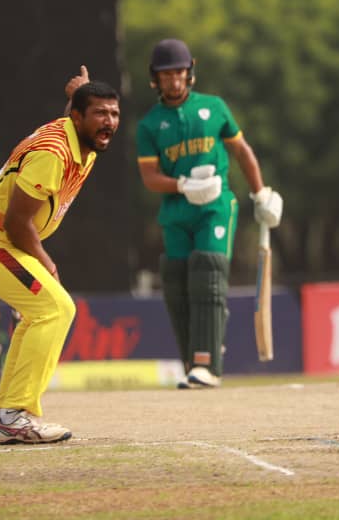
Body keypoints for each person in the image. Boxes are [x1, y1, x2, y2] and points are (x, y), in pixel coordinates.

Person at [69, 39, 283, 388]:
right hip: (176, 210)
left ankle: (207, 363)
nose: (174, 79)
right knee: (177, 283)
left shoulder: (214, 108)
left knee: (207, 272)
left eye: (179, 72)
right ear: (155, 78)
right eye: (166, 74)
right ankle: (193, 362)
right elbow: (150, 177)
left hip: (215, 206)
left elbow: (242, 151)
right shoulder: (150, 125)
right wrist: (184, 185)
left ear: (190, 72)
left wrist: (261, 193)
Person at [0, 77, 121, 444]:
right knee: (54, 308)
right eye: (100, 113)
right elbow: (16, 223)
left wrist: (80, 95)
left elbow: (75, 117)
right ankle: (12, 416)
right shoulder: (53, 155)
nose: (109, 122)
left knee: (45, 310)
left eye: (114, 114)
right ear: (77, 117)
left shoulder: (80, 136)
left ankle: (6, 415)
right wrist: (48, 264)